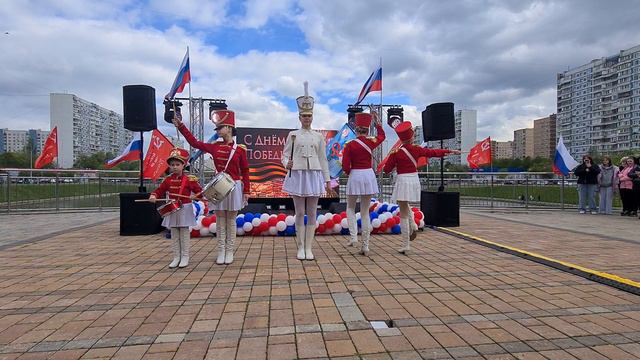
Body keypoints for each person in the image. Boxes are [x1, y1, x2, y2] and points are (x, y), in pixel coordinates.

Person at [173, 109, 250, 265]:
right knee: (220, 220)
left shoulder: (240, 149)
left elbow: (245, 171)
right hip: (219, 186)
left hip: (234, 186)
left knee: (231, 220)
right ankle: (221, 250)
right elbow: (195, 143)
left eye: (220, 127)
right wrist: (181, 126)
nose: (218, 131)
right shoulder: (214, 147)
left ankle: (230, 251)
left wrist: (247, 190)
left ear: (229, 127)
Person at [382, 121, 460, 254]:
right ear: (412, 137)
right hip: (414, 179)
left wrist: (394, 162)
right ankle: (413, 226)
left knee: (403, 211)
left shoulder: (396, 152)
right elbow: (433, 152)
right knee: (406, 206)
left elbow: (387, 170)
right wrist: (449, 151)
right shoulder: (417, 149)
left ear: (400, 138)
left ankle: (406, 243)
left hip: (402, 180)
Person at [281, 82, 330, 261]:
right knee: (299, 212)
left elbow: (323, 159)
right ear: (299, 117)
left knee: (312, 212)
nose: (307, 119)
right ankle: (300, 246)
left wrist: (326, 180)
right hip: (298, 174)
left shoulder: (318, 136)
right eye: (304, 116)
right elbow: (284, 155)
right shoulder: (293, 135)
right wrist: (287, 163)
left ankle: (309, 247)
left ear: (312, 117)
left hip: (314, 174)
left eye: (309, 116)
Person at [149, 148, 203, 268]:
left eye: (177, 164)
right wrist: (154, 195)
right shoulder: (167, 180)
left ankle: (185, 256)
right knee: (174, 232)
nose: (174, 167)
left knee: (183, 232)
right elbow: (159, 190)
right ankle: (176, 256)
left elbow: (200, 192)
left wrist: (196, 196)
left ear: (183, 165)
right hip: (172, 208)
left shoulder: (189, 179)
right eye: (172, 165)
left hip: (185, 207)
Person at [341, 110, 385, 256]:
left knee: (350, 207)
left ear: (356, 129)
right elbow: (382, 136)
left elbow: (345, 165)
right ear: (367, 129)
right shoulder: (371, 142)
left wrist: (348, 172)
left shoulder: (350, 145)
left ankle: (354, 238)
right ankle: (365, 246)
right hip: (368, 175)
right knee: (365, 212)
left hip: (355, 175)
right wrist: (378, 122)